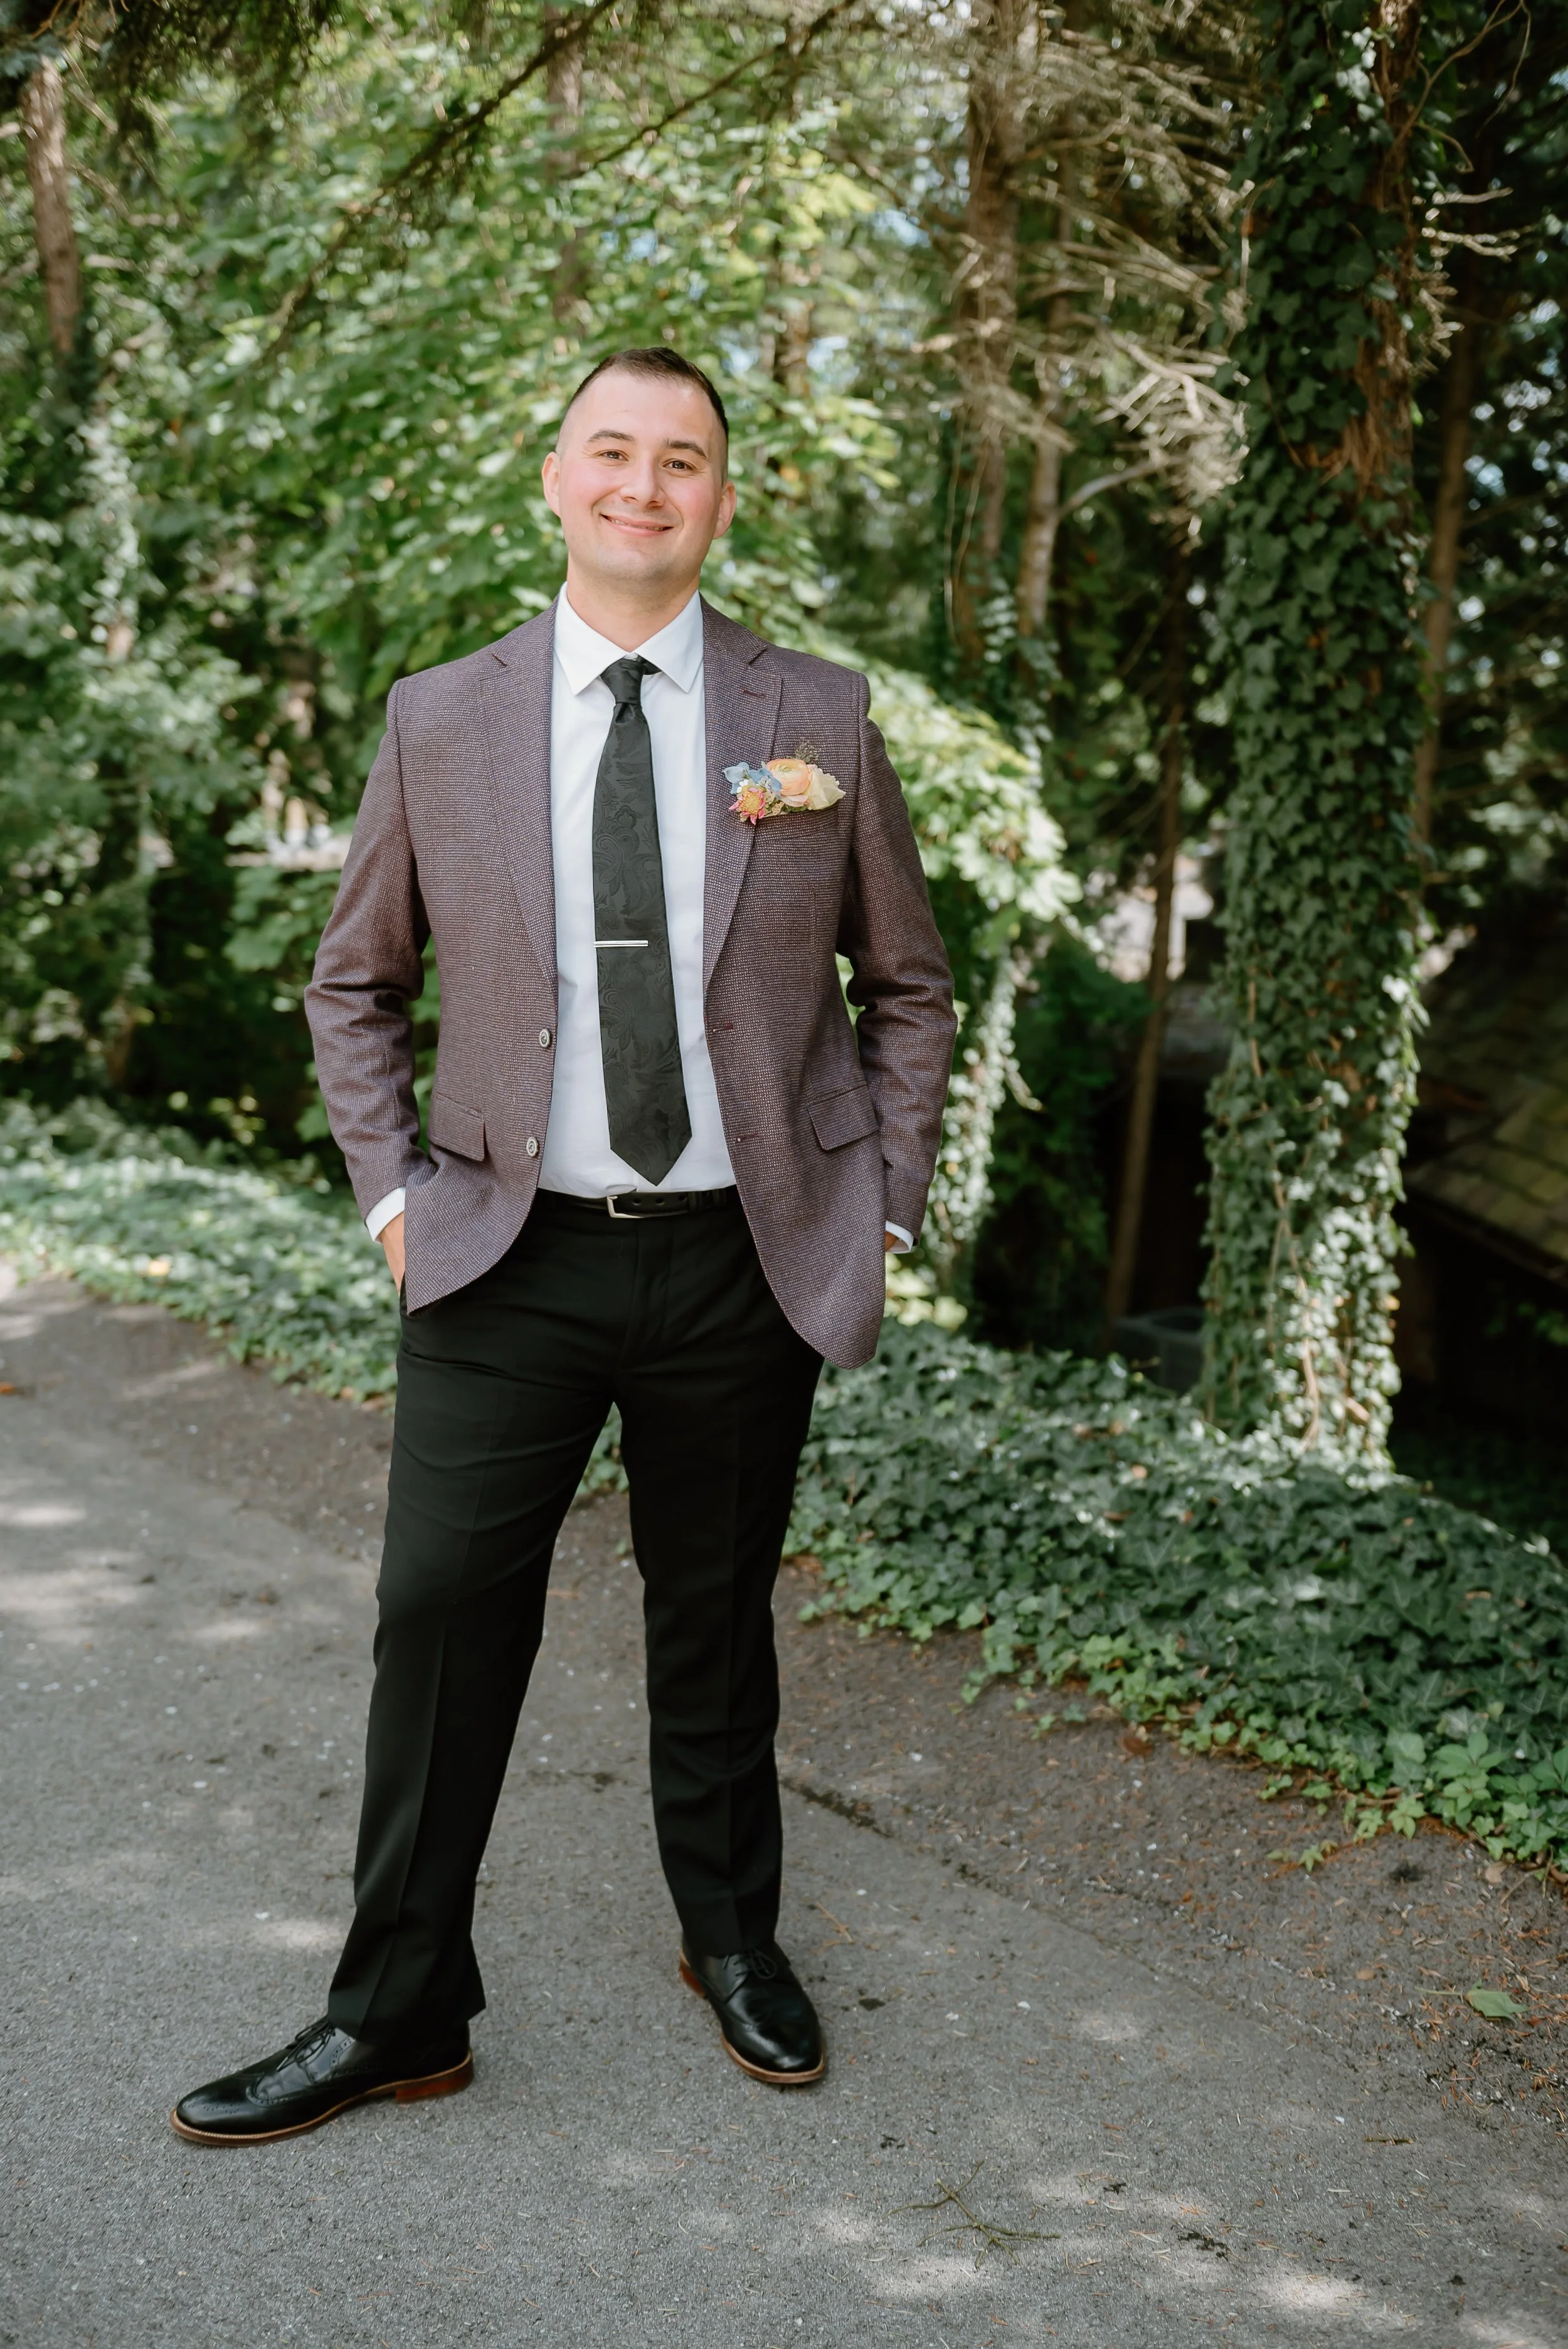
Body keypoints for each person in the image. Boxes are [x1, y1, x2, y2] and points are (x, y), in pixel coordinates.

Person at [171, 346, 955, 2145]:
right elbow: (351, 982)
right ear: (554, 478)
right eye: (612, 451)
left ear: (722, 499)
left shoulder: (812, 719)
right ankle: (396, 2012)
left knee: (714, 1612)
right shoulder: (441, 714)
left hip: (741, 1256)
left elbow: (906, 984)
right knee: (438, 1617)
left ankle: (731, 1938)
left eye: (682, 460)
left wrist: (883, 1201)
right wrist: (390, 1198)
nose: (643, 485)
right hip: (500, 1255)